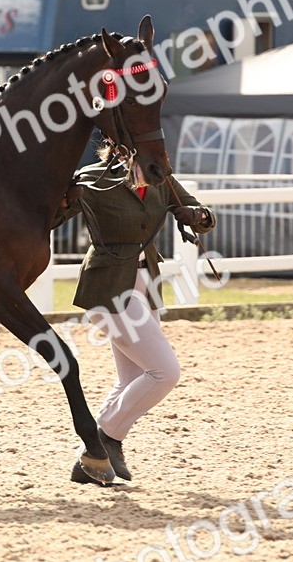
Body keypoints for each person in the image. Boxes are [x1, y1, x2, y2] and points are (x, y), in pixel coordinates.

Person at [52, 148, 216, 484]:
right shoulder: (92, 179)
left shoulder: (159, 176)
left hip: (147, 283)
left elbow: (201, 216)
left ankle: (92, 459)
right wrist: (64, 200)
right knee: (165, 372)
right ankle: (106, 438)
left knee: (133, 379)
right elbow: (53, 219)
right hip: (109, 286)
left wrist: (198, 216)